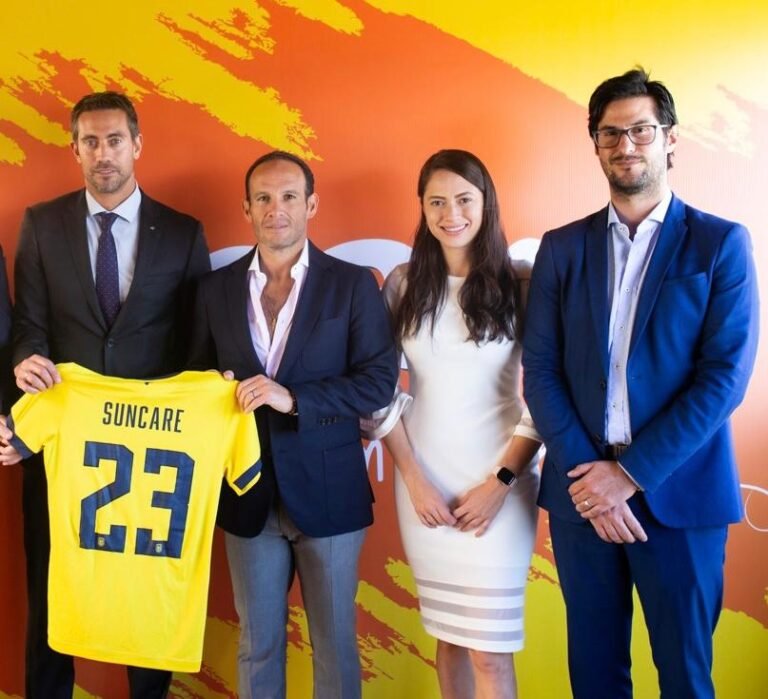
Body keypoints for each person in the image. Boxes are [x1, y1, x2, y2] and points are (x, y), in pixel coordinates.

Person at [522, 68, 759, 699]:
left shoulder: (719, 243)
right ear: (595, 144)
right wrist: (592, 481)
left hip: (680, 498)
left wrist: (628, 475)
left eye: (641, 130)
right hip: (582, 501)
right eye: (610, 133)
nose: (626, 145)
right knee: (595, 677)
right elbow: (540, 370)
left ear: (670, 138)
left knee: (684, 677)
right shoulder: (562, 248)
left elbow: (725, 379)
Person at [1, 91, 210, 698]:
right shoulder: (42, 224)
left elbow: (198, 347)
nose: (103, 154)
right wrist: (25, 361)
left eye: (114, 140)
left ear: (137, 145)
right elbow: (29, 326)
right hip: (63, 450)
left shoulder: (182, 233)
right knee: (51, 589)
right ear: (74, 149)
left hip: (153, 457)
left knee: (145, 596)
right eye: (89, 142)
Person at [188, 150, 398, 699]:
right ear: (246, 208)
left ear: (311, 204)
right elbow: (194, 378)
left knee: (334, 646)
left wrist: (293, 398)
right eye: (262, 198)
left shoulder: (352, 284)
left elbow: (378, 383)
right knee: (257, 645)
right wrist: (215, 385)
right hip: (247, 492)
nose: (275, 209)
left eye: (288, 196)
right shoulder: (214, 289)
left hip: (329, 493)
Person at [366, 149, 541, 699]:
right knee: (448, 637)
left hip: (502, 479)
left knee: (490, 650)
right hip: (423, 480)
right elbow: (374, 391)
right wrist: (414, 479)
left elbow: (548, 394)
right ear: (422, 208)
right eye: (437, 202)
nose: (451, 214)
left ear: (486, 203)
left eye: (464, 199)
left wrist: (502, 482)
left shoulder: (522, 283)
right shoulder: (403, 284)